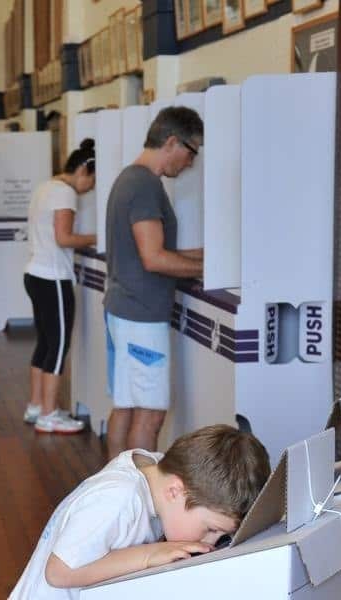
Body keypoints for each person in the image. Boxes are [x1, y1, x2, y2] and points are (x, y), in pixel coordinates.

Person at [10, 424, 270, 599]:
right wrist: (149, 554)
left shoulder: (157, 471)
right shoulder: (118, 498)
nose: (209, 542)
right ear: (175, 491)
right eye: (211, 529)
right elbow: (59, 572)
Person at [104, 107, 204, 459]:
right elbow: (154, 257)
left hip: (123, 308)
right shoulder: (145, 185)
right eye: (191, 152)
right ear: (172, 142)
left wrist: (204, 258)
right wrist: (202, 267)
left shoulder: (128, 179)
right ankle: (143, 505)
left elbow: (150, 250)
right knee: (150, 414)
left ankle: (116, 494)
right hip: (142, 318)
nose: (191, 162)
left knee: (126, 406)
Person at [22, 139, 97, 434]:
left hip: (34, 273)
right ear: (83, 170)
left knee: (45, 342)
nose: (90, 187)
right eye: (92, 179)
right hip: (53, 277)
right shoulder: (65, 192)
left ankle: (37, 405)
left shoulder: (45, 186)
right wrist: (97, 237)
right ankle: (50, 414)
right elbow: (64, 238)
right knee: (58, 345)